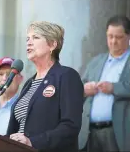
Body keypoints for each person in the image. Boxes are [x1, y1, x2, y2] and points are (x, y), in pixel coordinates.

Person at [6, 21, 84, 152]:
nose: (29, 42)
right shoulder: (29, 84)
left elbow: (70, 126)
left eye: (36, 38)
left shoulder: (66, 76)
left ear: (53, 44)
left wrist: (33, 142)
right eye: (27, 39)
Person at [78, 15, 130, 152]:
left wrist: (114, 87)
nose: (113, 41)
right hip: (90, 133)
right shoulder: (96, 62)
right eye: (110, 36)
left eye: (119, 37)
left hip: (118, 134)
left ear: (129, 37)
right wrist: (84, 90)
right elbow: (75, 90)